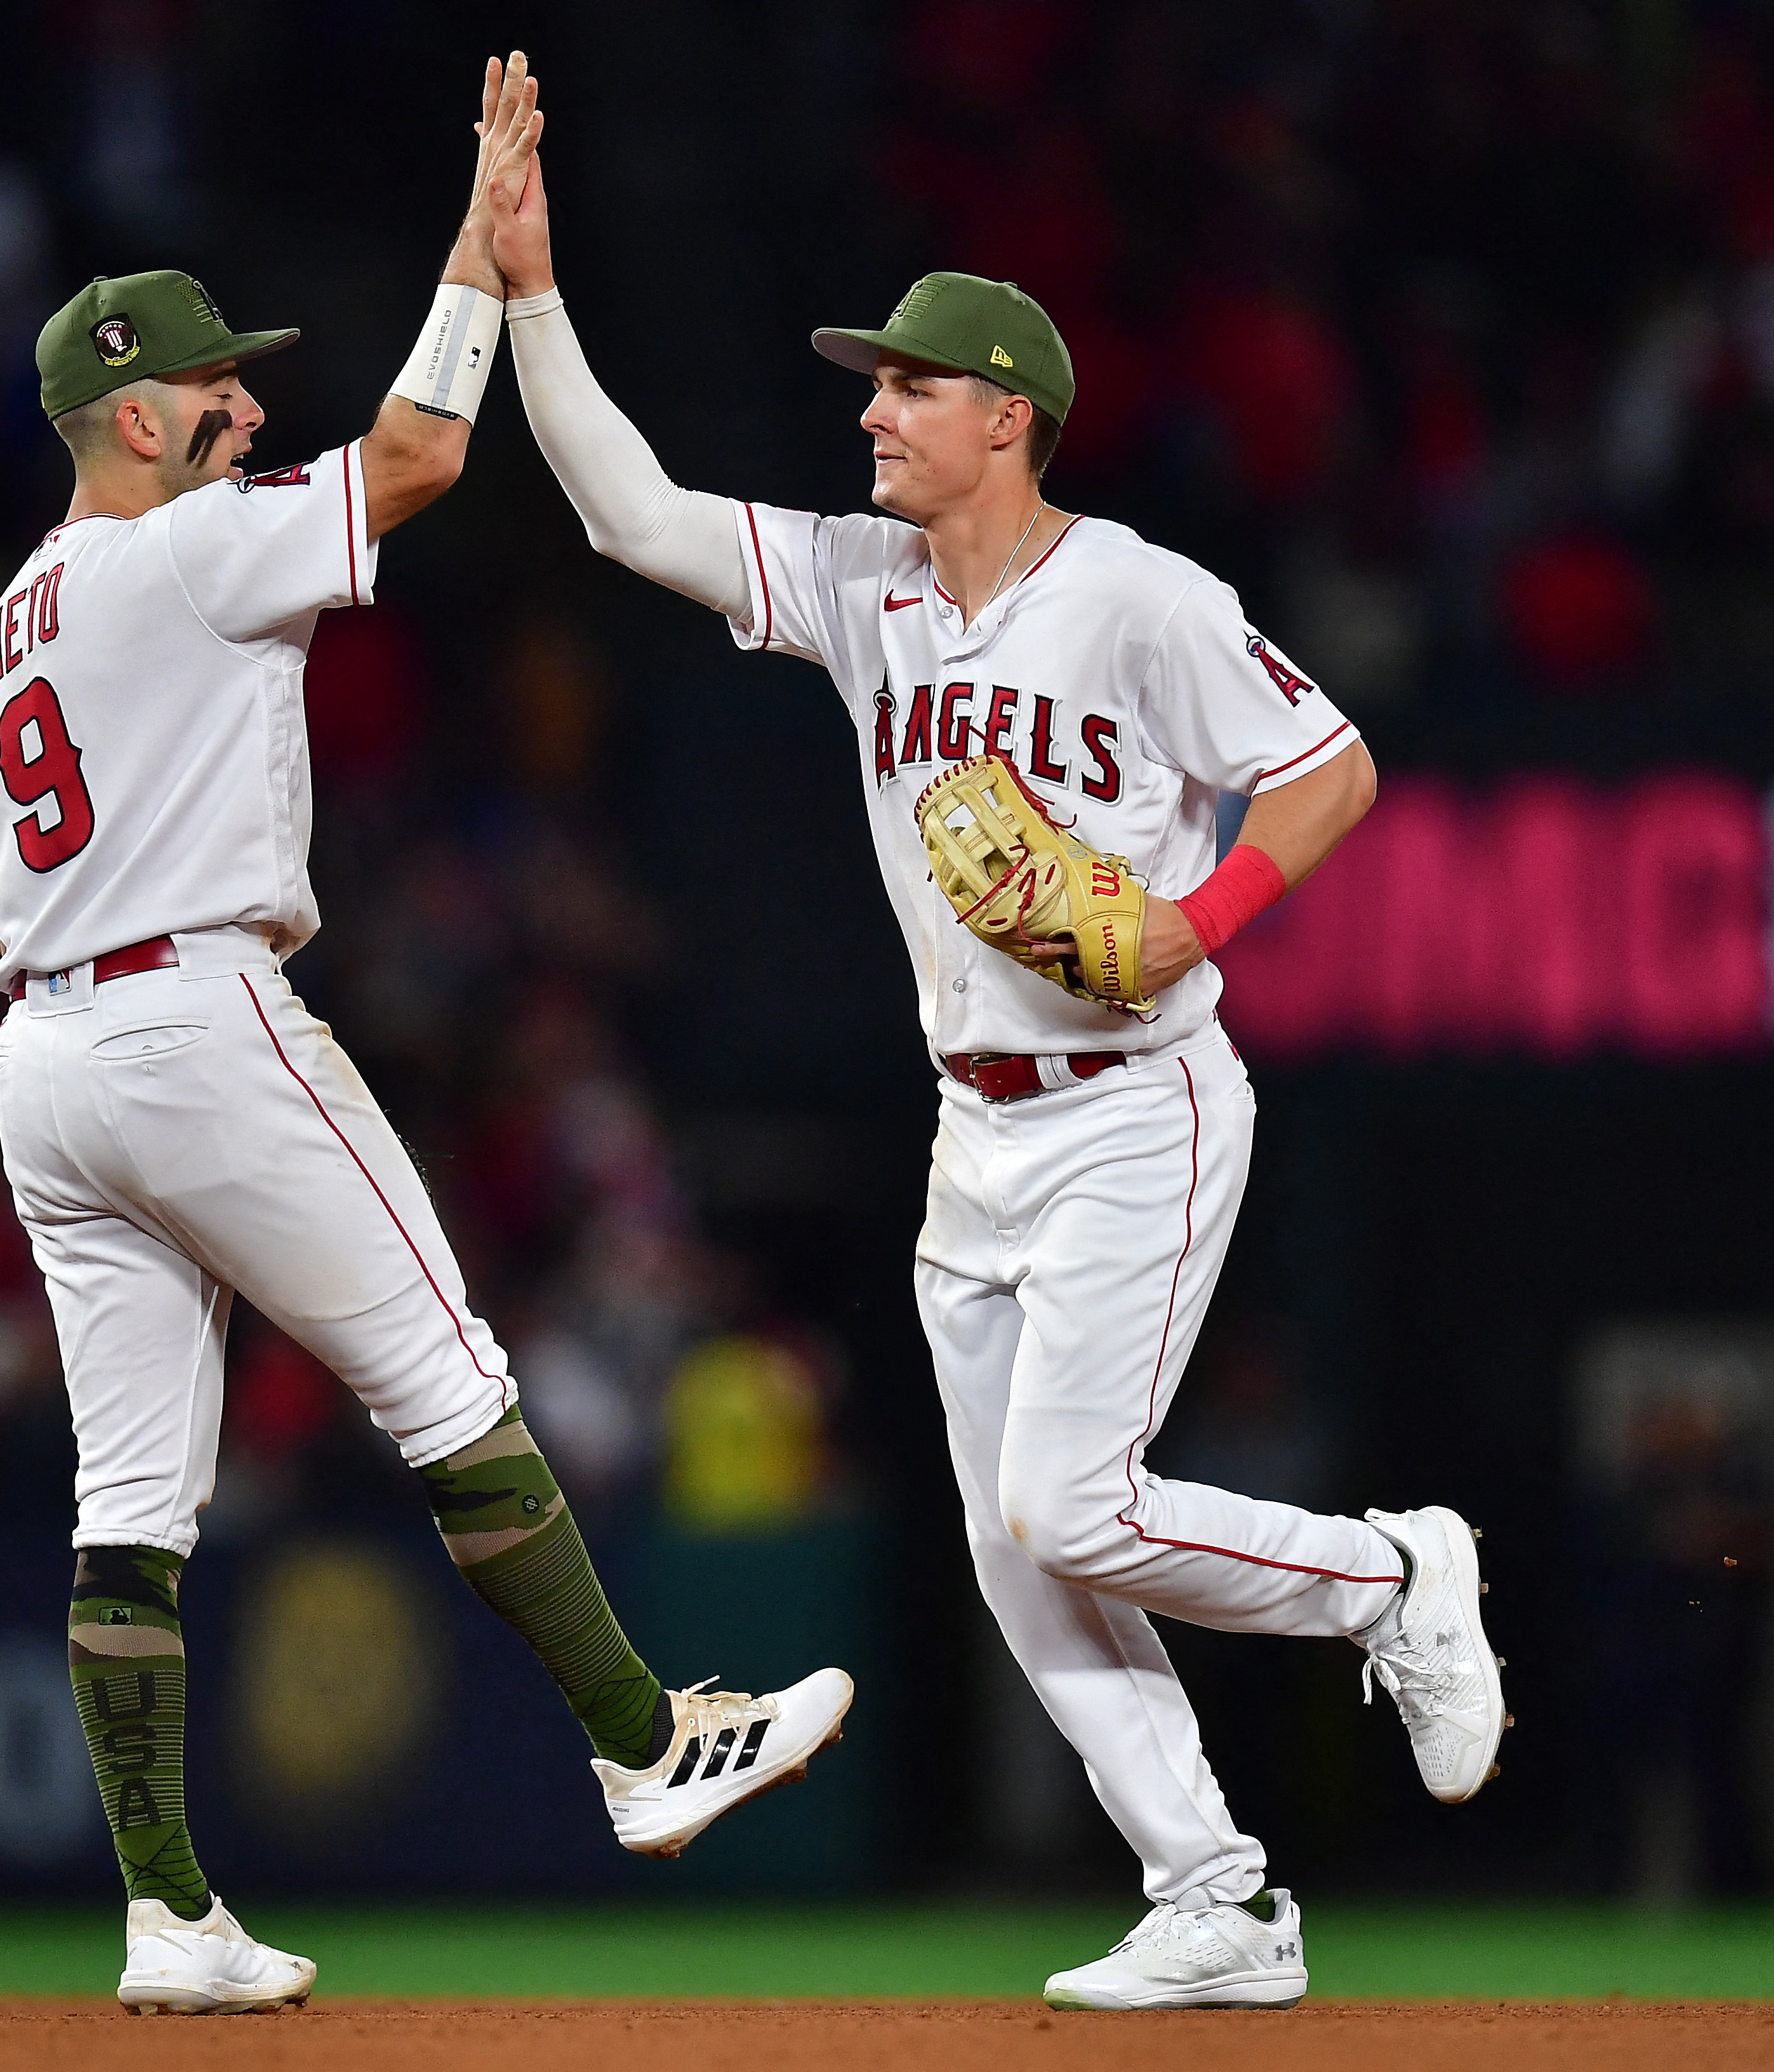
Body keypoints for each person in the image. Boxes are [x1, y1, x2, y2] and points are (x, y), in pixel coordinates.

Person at [488, 107, 1503, 2010]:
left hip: (1142, 1102)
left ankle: (1392, 1579)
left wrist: (1197, 924)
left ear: (1008, 417)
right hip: (978, 1131)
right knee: (1017, 1555)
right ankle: (1220, 1899)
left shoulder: (1135, 593)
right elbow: (632, 516)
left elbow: (1332, 768)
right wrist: (534, 296)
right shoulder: (871, 593)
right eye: (874, 388)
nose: (872, 413)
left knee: (1072, 1506)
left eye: (909, 389)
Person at [0, 53, 849, 2017]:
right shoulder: (178, 545)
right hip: (192, 1017)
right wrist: (475, 246)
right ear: (122, 410)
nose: (246, 402)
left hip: (46, 1060)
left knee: (128, 1504)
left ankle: (168, 1916)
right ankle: (639, 1745)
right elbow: (421, 462)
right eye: (212, 384)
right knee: (448, 1379)